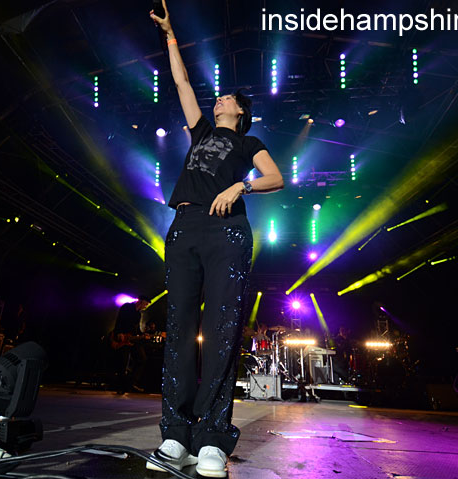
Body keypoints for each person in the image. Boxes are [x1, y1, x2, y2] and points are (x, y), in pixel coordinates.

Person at [147, 2, 284, 476]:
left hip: (226, 230)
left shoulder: (249, 143)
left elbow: (276, 178)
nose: (218, 99)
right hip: (185, 227)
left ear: (241, 112)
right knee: (180, 331)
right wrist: (170, 34)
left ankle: (211, 438)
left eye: (227, 98)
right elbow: (182, 82)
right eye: (220, 96)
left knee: (221, 330)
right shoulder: (201, 130)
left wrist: (241, 185)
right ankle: (175, 435)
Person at [110, 296, 151, 394]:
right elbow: (119, 320)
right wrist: (119, 332)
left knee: (142, 359)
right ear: (140, 301)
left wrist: (143, 335)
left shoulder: (138, 314)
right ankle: (120, 387)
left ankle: (131, 383)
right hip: (122, 337)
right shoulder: (127, 307)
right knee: (123, 363)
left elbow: (137, 330)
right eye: (145, 304)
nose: (145, 306)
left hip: (132, 339)